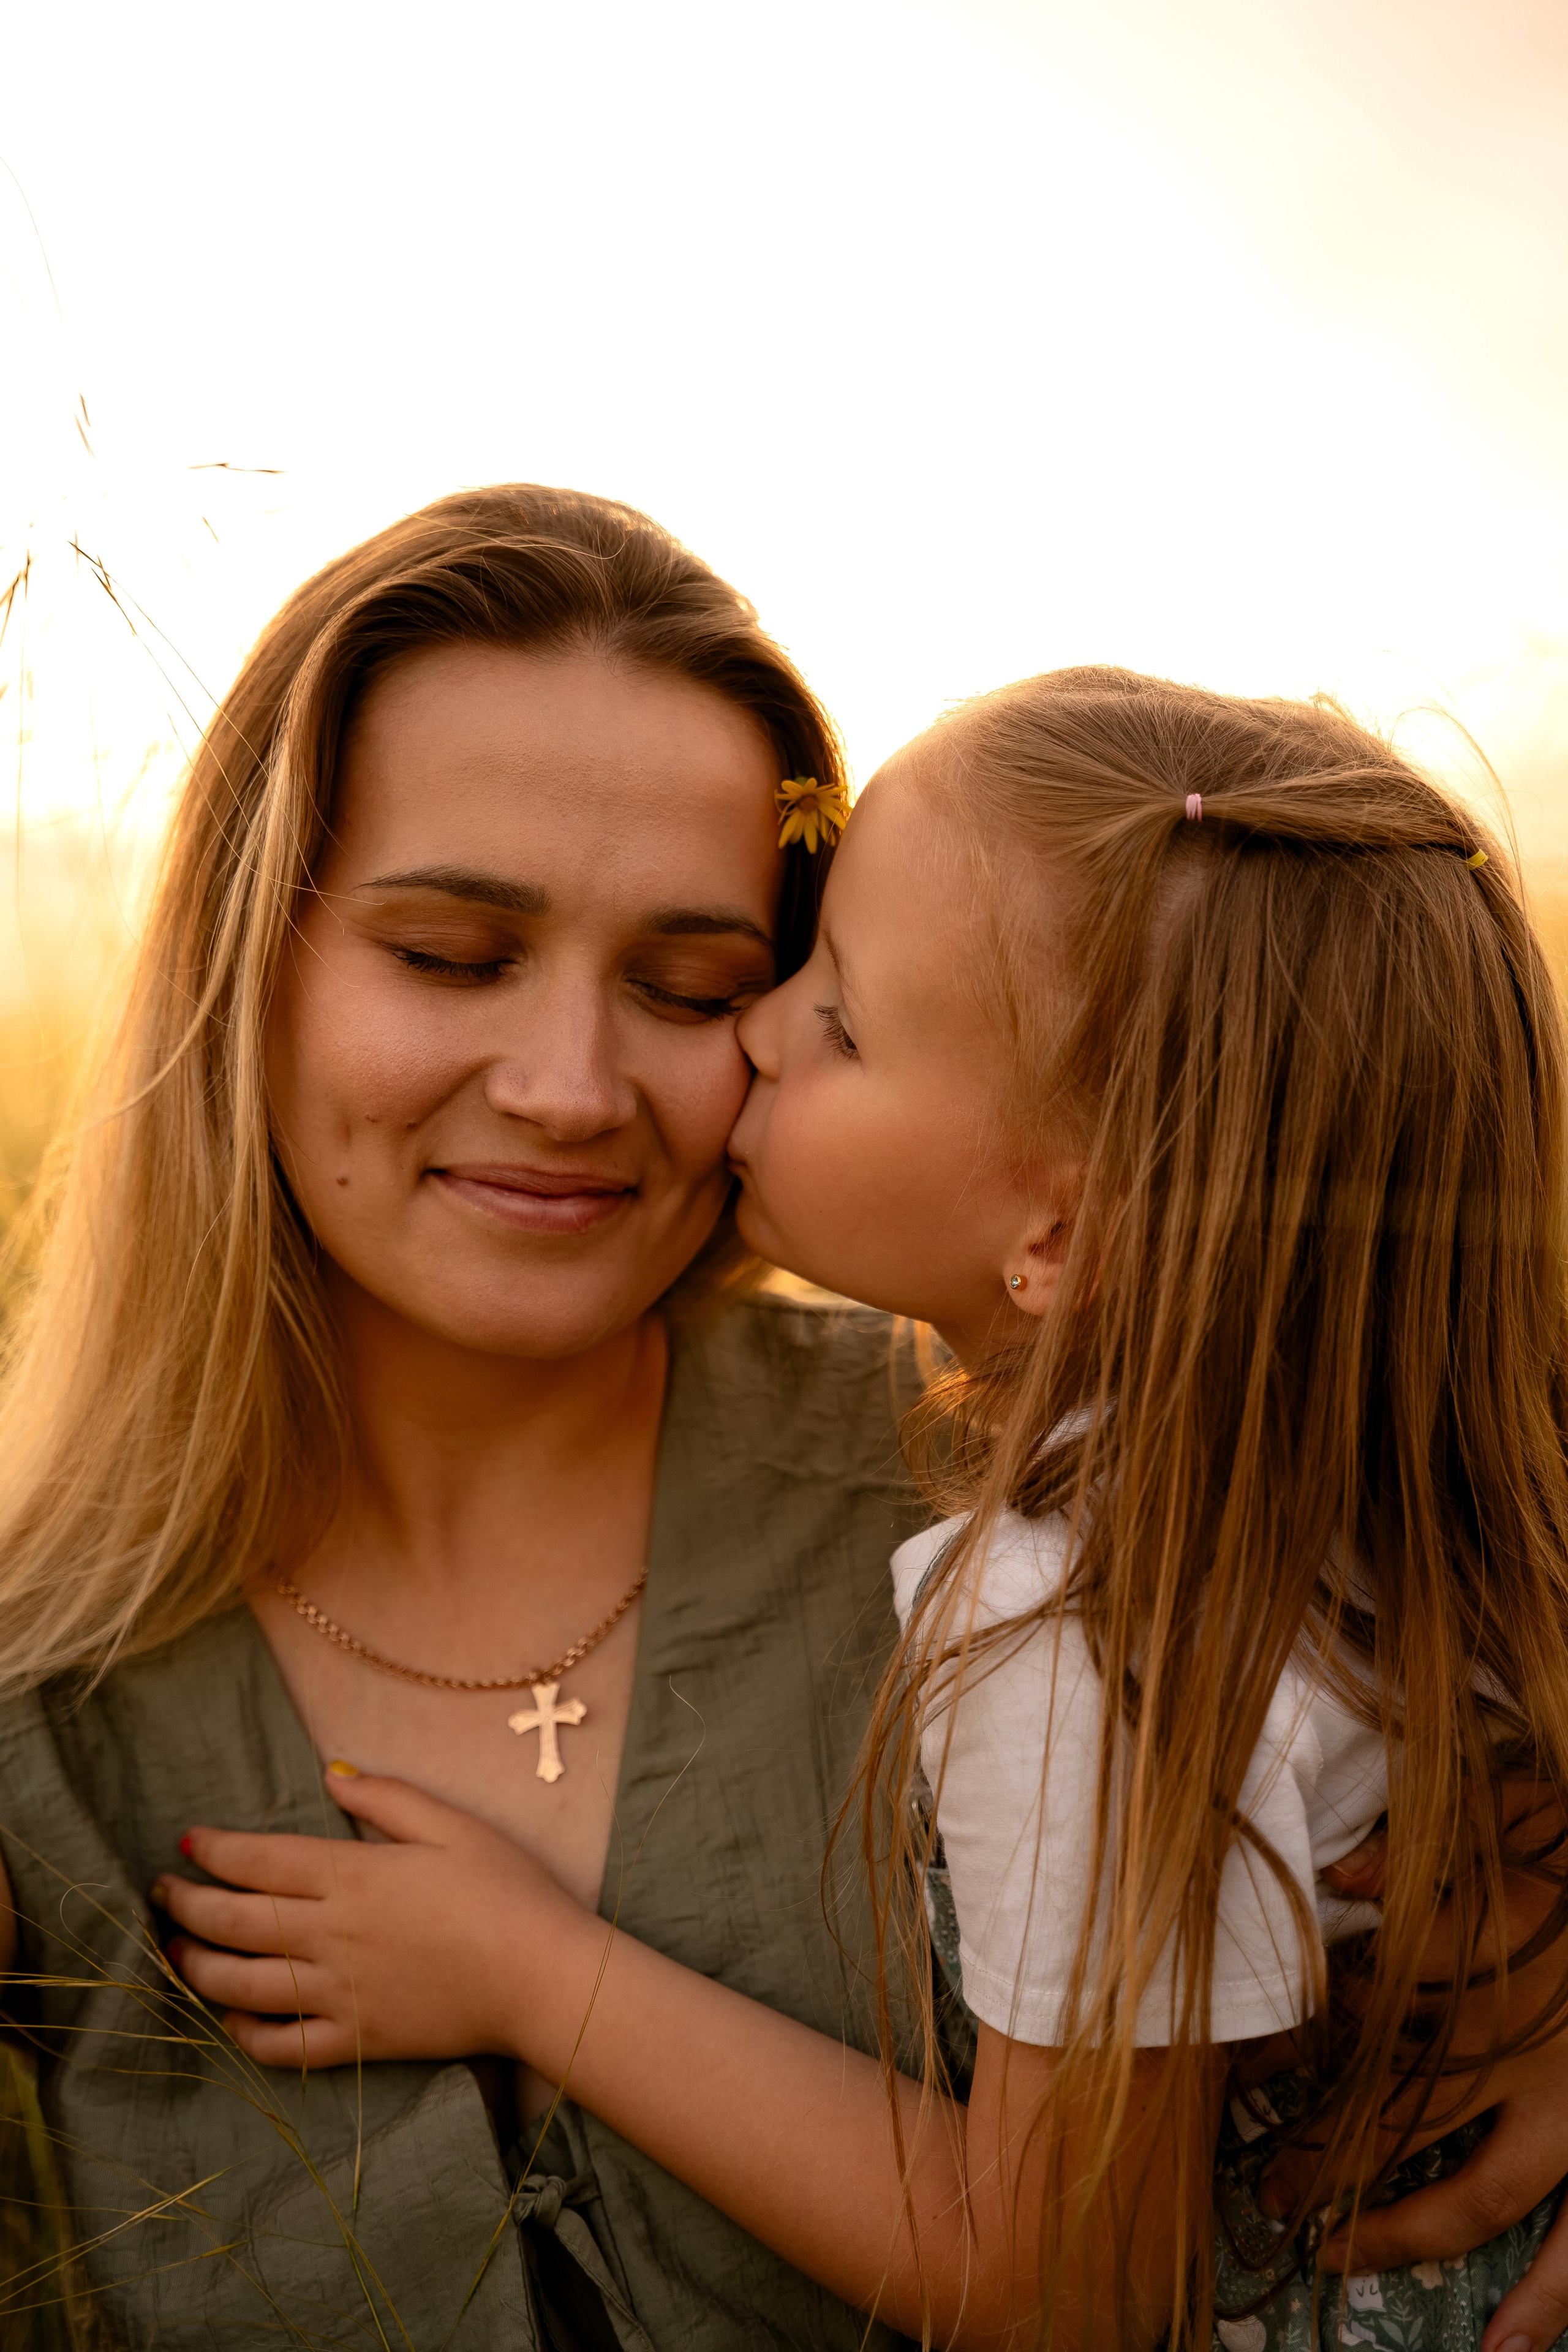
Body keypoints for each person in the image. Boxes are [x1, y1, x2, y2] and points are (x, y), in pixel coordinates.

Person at [156, 670, 1568, 2350]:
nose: (748, 1032)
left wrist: (531, 1973)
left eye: (808, 1008)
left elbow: (1071, 2290)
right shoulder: (1373, 1472)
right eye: (454, 956)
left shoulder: (1065, 1617)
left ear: (1061, 1240)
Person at [0, 483, 935, 2349]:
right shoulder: (40, 1670)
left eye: (694, 987)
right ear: (242, 962)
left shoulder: (1008, 1496)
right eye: (450, 957)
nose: (575, 1087)